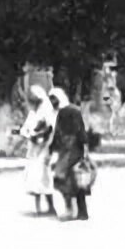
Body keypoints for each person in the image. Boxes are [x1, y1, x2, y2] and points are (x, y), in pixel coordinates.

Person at [48, 88, 91, 222]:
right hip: (72, 150)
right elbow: (80, 132)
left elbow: (74, 131)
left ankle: (72, 210)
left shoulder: (67, 112)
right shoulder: (71, 111)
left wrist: (51, 150)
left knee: (68, 181)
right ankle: (80, 212)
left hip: (70, 151)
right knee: (76, 181)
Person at [20, 84, 57, 216]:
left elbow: (50, 129)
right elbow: (25, 129)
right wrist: (30, 135)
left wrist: (41, 137)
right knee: (34, 177)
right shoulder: (32, 114)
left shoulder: (47, 113)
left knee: (45, 178)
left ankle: (51, 207)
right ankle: (38, 208)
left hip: (44, 149)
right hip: (34, 151)